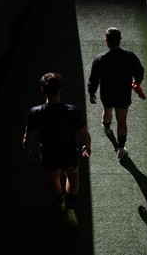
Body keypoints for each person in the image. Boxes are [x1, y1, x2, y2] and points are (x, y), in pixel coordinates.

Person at [23, 72, 91, 227]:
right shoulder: (72, 111)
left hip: (49, 155)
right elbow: (84, 135)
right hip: (68, 153)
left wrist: (27, 152)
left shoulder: (35, 112)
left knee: (53, 177)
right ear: (61, 88)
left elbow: (28, 138)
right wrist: (87, 146)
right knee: (73, 176)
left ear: (42, 89)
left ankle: (59, 202)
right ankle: (71, 208)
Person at [88, 27, 145, 159]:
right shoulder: (130, 57)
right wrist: (137, 82)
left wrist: (91, 93)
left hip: (107, 94)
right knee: (122, 121)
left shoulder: (100, 59)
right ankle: (120, 149)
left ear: (106, 41)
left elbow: (94, 78)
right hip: (123, 95)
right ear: (120, 40)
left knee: (107, 112)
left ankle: (107, 128)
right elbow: (139, 72)